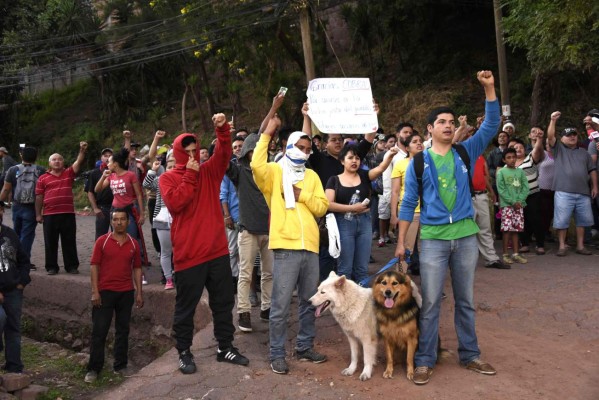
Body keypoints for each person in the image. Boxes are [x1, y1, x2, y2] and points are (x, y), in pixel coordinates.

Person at [397, 70, 500, 385]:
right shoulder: (418, 162)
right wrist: (401, 243)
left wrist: (490, 88)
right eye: (442, 121)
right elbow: (407, 203)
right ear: (430, 128)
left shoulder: (464, 151)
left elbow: (492, 125)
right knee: (429, 303)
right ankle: (425, 361)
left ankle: (470, 355)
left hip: (466, 238)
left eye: (451, 121)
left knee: (465, 300)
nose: (448, 125)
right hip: (432, 241)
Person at [160, 114, 249, 375]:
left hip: (217, 252)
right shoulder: (168, 179)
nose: (191, 157)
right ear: (177, 154)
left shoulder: (210, 171)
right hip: (189, 257)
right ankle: (184, 352)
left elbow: (222, 154)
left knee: (223, 303)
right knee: (185, 308)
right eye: (185, 153)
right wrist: (189, 175)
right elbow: (176, 204)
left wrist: (222, 129)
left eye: (194, 151)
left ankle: (225, 347)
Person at [251, 105, 329, 375]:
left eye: (309, 149)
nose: (305, 151)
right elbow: (256, 165)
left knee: (310, 301)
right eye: (301, 146)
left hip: (310, 247)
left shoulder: (312, 176)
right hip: (285, 248)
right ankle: (276, 353)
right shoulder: (274, 173)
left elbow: (321, 207)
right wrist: (266, 134)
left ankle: (304, 346)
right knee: (281, 304)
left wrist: (301, 195)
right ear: (288, 146)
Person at [84, 209, 143, 383]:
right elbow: (94, 266)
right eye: (115, 219)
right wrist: (95, 291)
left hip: (126, 293)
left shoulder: (133, 244)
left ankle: (121, 365)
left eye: (122, 219)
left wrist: (139, 292)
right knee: (99, 331)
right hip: (105, 293)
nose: (119, 223)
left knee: (123, 331)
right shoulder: (102, 241)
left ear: (128, 222)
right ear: (111, 222)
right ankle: (94, 369)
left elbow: (137, 268)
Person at [325, 144, 397, 283]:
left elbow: (381, 168)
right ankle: (344, 303)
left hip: (364, 223)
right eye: (350, 158)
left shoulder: (364, 176)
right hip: (343, 223)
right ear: (342, 161)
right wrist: (352, 208)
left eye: (357, 158)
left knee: (362, 269)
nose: (354, 161)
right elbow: (328, 204)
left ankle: (362, 302)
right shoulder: (334, 180)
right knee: (345, 269)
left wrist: (389, 156)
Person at [226, 133, 273, 333]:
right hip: (247, 230)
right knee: (245, 274)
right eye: (254, 151)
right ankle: (243, 312)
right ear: (247, 153)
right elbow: (223, 162)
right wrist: (224, 135)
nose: (258, 154)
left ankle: (267, 308)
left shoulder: (271, 171)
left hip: (270, 230)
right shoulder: (239, 171)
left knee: (269, 273)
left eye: (261, 151)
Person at [547, 111, 598, 256]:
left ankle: (580, 246)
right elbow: (550, 136)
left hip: (583, 192)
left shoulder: (584, 153)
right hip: (563, 191)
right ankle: (562, 246)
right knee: (561, 221)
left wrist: (595, 186)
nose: (572, 137)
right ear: (562, 138)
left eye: (574, 134)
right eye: (569, 135)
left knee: (582, 221)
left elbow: (592, 170)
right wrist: (553, 121)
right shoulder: (558, 149)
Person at [35, 142, 87, 275]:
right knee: (50, 242)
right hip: (50, 214)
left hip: (67, 214)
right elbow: (39, 197)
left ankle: (71, 266)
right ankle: (51, 267)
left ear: (63, 162)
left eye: (59, 159)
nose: (57, 161)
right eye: (54, 159)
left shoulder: (68, 173)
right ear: (49, 163)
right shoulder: (42, 178)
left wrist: (81, 150)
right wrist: (38, 214)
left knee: (69, 240)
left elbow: (78, 162)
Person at [0, 200, 31, 373]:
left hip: (13, 291)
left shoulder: (10, 234)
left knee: (13, 328)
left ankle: (14, 367)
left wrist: (22, 282)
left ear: (2, 211)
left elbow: (24, 260)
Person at [0, 146, 45, 265]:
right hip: (32, 207)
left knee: (16, 233)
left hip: (17, 206)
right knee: (27, 235)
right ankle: (24, 261)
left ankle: (14, 259)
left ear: (21, 155)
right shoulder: (41, 170)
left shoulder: (12, 170)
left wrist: (0, 203)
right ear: (36, 156)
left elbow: (5, 189)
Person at [390, 133, 424, 272]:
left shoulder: (430, 162)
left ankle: (432, 288)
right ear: (407, 147)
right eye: (415, 142)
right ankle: (397, 285)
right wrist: (393, 214)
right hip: (410, 212)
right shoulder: (400, 164)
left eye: (420, 141)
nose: (419, 143)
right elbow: (395, 191)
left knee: (427, 252)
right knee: (405, 248)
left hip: (429, 212)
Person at [507, 136, 545, 254]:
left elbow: (537, 149)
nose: (518, 149)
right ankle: (525, 244)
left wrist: (539, 139)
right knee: (521, 220)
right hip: (518, 198)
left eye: (520, 147)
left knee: (536, 219)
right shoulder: (508, 165)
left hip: (533, 194)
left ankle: (540, 245)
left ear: (525, 150)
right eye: (515, 147)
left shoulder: (530, 159)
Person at [143, 155, 175, 290]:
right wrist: (153, 170)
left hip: (180, 219)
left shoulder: (185, 179)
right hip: (162, 219)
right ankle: (168, 279)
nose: (172, 169)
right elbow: (146, 184)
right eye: (169, 167)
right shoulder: (161, 179)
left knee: (181, 250)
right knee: (165, 251)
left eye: (175, 166)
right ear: (165, 169)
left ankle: (181, 275)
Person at [471, 154, 509, 269]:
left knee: (485, 228)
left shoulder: (480, 157)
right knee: (466, 230)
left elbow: (485, 176)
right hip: (467, 196)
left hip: (481, 195)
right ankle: (464, 260)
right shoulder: (459, 153)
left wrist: (491, 191)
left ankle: (491, 259)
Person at [496, 148, 530, 265]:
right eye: (509, 158)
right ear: (504, 160)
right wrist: (512, 201)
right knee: (507, 230)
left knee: (516, 229)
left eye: (513, 157)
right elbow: (501, 190)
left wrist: (520, 200)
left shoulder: (520, 172)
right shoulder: (501, 172)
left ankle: (516, 254)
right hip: (507, 206)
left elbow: (526, 188)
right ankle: (505, 254)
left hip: (519, 206)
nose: (512, 160)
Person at [221, 136, 244, 291]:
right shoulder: (229, 169)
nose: (237, 149)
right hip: (233, 216)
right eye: (234, 147)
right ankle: (233, 279)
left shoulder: (253, 166)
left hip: (248, 217)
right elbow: (223, 194)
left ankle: (245, 281)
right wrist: (227, 216)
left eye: (240, 146)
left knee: (245, 253)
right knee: (232, 250)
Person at [85, 148, 114, 240]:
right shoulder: (94, 173)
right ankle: (99, 254)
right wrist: (95, 208)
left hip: (117, 207)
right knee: (100, 237)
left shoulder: (117, 171)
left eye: (110, 156)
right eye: (105, 156)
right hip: (102, 208)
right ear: (101, 158)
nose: (107, 158)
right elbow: (90, 192)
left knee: (118, 234)